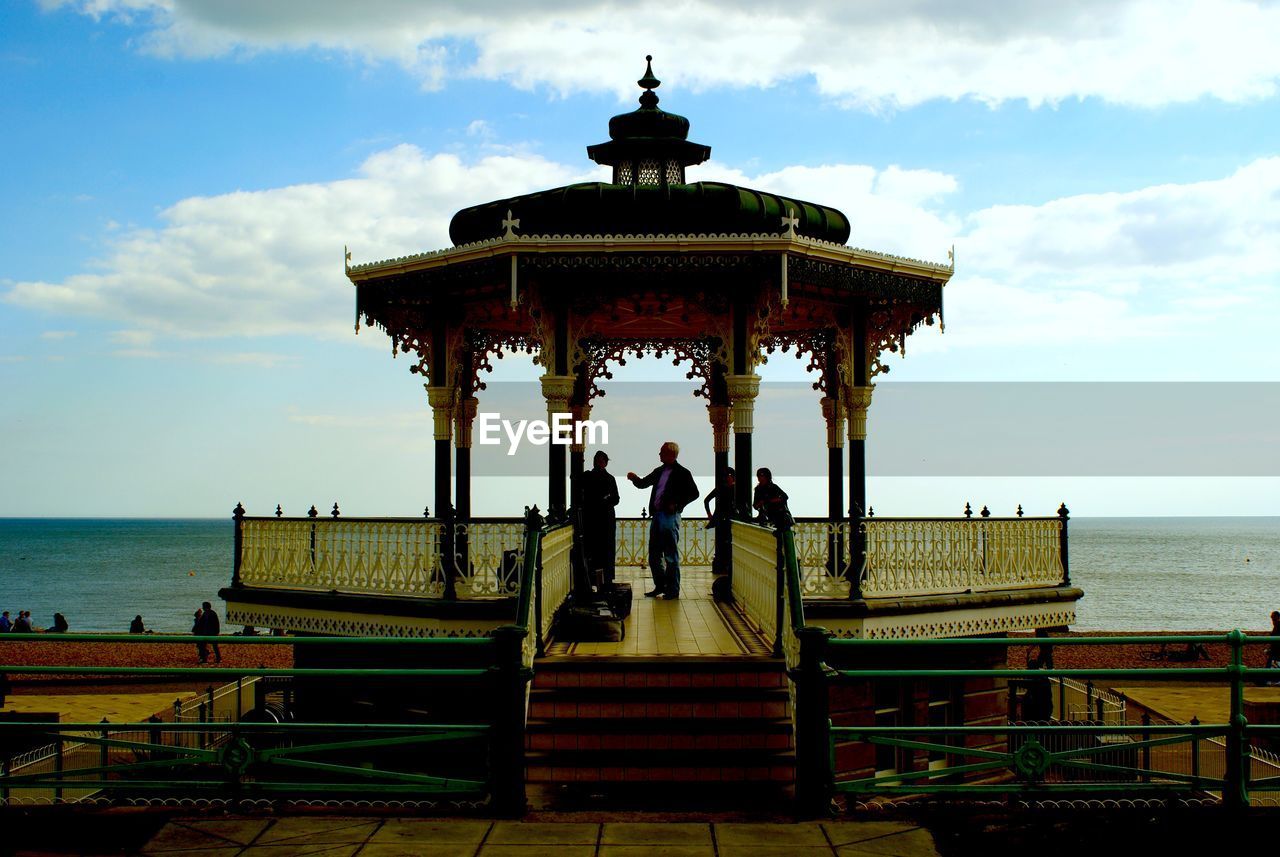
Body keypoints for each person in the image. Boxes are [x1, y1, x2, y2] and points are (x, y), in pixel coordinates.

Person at [627, 441, 700, 600]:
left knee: (670, 555)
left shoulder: (682, 473)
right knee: (654, 554)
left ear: (670, 454)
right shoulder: (659, 471)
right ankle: (660, 586)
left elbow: (694, 493)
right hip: (657, 515)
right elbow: (643, 483)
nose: (659, 455)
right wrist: (634, 479)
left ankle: (672, 590)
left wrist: (678, 504)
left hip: (669, 517)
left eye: (661, 452)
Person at [579, 450, 620, 590]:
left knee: (597, 551)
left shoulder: (590, 477)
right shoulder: (607, 478)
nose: (599, 464)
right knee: (602, 551)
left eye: (600, 461)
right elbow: (615, 499)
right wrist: (605, 500)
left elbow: (615, 499)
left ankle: (598, 579)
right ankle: (602, 580)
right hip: (603, 520)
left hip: (595, 519)